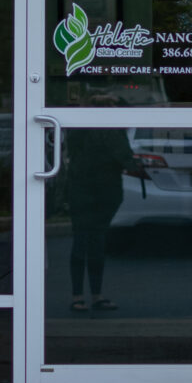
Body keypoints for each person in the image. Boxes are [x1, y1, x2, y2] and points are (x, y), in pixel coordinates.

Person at [66, 130, 133, 310]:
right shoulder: (112, 131)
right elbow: (125, 157)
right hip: (100, 190)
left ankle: (80, 296)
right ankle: (92, 295)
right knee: (93, 241)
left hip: (86, 190)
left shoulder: (83, 129)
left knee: (86, 241)